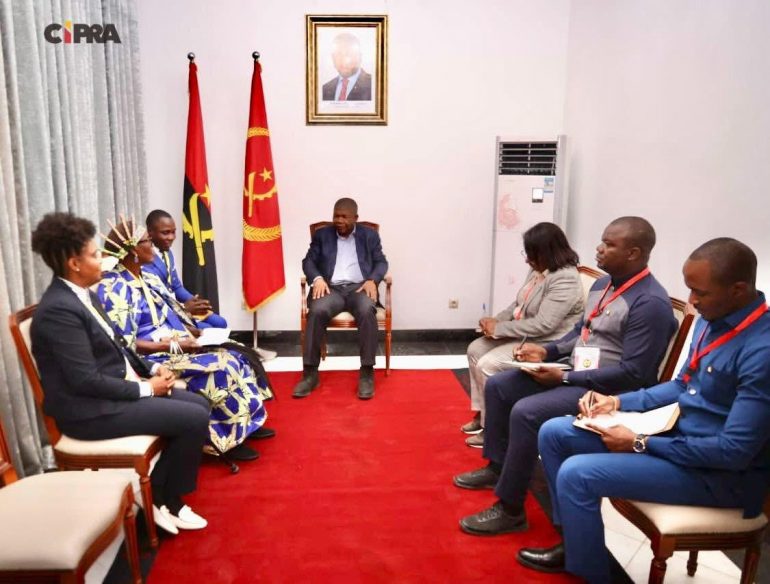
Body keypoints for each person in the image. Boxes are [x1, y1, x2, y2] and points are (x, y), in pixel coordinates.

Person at [518, 238, 770, 583]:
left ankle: (590, 574)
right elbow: (680, 385)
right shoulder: (714, 318)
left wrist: (639, 443)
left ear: (738, 290)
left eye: (700, 293)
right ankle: (575, 546)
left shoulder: (761, 350)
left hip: (720, 477)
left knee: (578, 474)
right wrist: (617, 402)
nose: (692, 301)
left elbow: (733, 452)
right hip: (681, 441)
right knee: (554, 432)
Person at [454, 216, 678, 536]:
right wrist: (547, 351)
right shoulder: (602, 284)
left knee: (527, 412)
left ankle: (510, 509)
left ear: (634, 253)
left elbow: (634, 374)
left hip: (606, 390)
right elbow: (579, 332)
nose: (598, 249)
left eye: (609, 245)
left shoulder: (650, 303)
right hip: (576, 372)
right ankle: (498, 467)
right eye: (601, 241)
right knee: (501, 386)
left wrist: (563, 379)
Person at [30, 212, 210, 535]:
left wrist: (153, 369)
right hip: (89, 413)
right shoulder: (58, 311)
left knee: (200, 404)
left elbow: (121, 345)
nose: (103, 259)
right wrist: (148, 389)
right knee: (193, 418)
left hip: (114, 390)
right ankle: (166, 499)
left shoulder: (83, 294)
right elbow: (85, 380)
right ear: (74, 264)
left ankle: (156, 492)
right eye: (94, 254)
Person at [97, 217, 268, 461]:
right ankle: (223, 442)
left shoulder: (148, 277)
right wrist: (174, 345)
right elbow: (126, 345)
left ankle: (247, 423)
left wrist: (191, 330)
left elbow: (170, 311)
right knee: (223, 366)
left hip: (175, 342)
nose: (153, 246)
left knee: (238, 354)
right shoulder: (115, 288)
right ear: (133, 251)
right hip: (153, 356)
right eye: (147, 241)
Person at [462, 222, 585, 448]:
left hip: (546, 342)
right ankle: (483, 413)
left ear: (547, 252)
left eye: (531, 253)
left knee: (489, 364)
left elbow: (544, 325)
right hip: (526, 333)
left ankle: (493, 430)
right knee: (475, 349)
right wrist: (495, 321)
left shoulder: (565, 278)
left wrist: (499, 329)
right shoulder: (540, 269)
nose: (527, 259)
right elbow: (519, 304)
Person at [294, 197, 388, 400]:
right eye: (336, 216)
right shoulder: (322, 235)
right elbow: (308, 261)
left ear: (355, 218)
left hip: (359, 288)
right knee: (317, 311)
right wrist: (317, 279)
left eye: (345, 217)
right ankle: (310, 374)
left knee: (366, 310)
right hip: (332, 289)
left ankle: (366, 373)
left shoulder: (369, 235)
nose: (339, 220)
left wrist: (372, 280)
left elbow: (381, 262)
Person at [143, 209, 226, 329]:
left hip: (178, 306)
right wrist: (183, 308)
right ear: (150, 232)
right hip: (164, 313)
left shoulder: (167, 253)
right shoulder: (144, 258)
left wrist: (195, 302)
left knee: (221, 322)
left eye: (173, 232)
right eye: (165, 233)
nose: (171, 237)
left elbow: (176, 286)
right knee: (208, 328)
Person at [321, 33, 372, 101]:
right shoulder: (325, 89)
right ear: (333, 58)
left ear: (360, 57)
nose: (344, 60)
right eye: (339, 54)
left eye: (349, 54)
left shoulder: (374, 85)